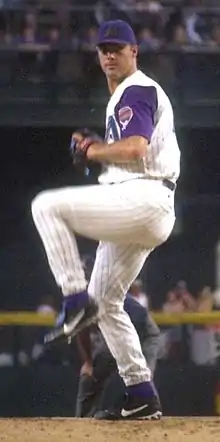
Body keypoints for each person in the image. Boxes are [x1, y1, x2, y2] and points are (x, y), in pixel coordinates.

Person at [31, 19, 180, 420]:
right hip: (145, 201)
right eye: (104, 49)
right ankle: (142, 391)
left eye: (118, 47)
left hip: (144, 197)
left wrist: (94, 151)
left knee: (46, 206)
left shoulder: (138, 88)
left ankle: (74, 300)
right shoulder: (125, 96)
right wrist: (98, 151)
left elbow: (134, 149)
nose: (110, 54)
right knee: (108, 302)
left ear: (135, 52)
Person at [75, 293, 161, 419]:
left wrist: (89, 362)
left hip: (140, 331)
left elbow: (81, 329)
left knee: (142, 378)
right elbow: (81, 329)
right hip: (130, 329)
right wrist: (88, 362)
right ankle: (82, 422)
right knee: (92, 373)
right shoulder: (87, 295)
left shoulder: (93, 295)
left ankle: (150, 416)